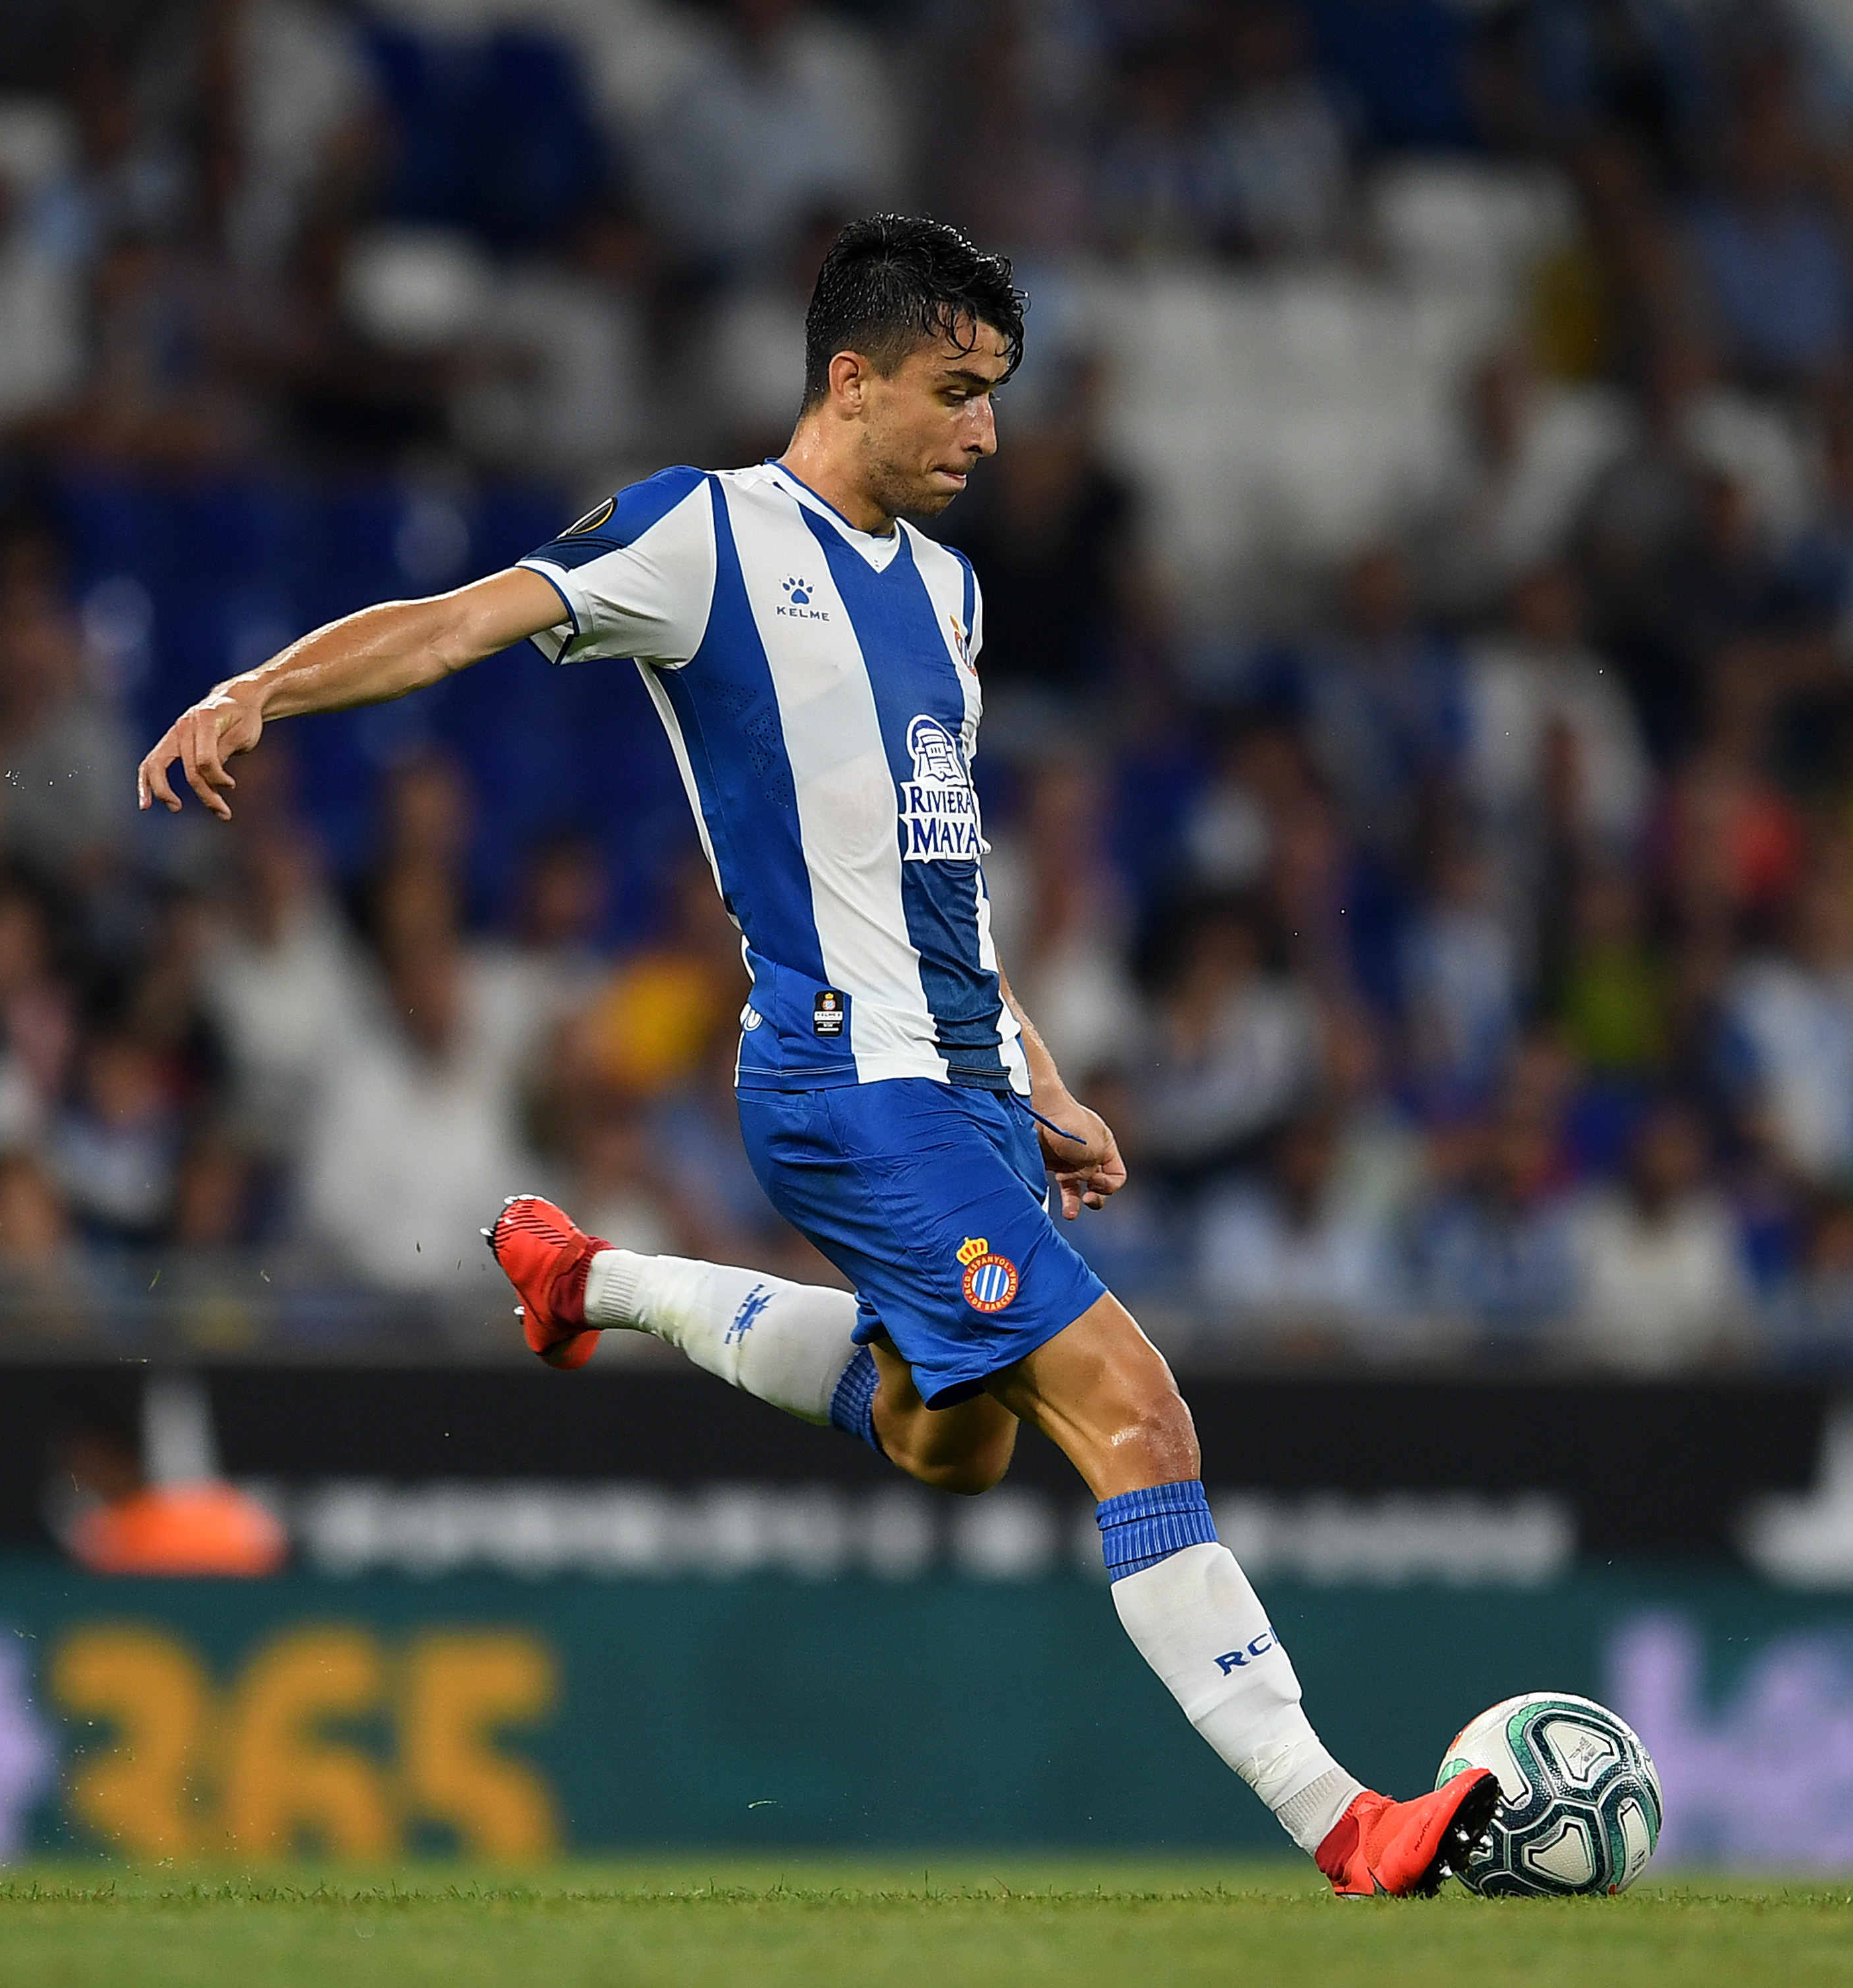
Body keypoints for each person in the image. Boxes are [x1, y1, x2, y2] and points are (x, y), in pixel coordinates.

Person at [137, 214, 1496, 1895]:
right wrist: (257, 688)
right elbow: (457, 624)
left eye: (997, 394)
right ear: (850, 380)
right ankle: (1346, 1822)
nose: (987, 432)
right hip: (846, 1088)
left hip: (967, 1085)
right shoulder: (700, 535)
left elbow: (940, 891)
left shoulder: (953, 593)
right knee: (1138, 1417)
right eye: (955, 391)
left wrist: (1042, 1074)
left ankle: (597, 1285)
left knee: (954, 1439)